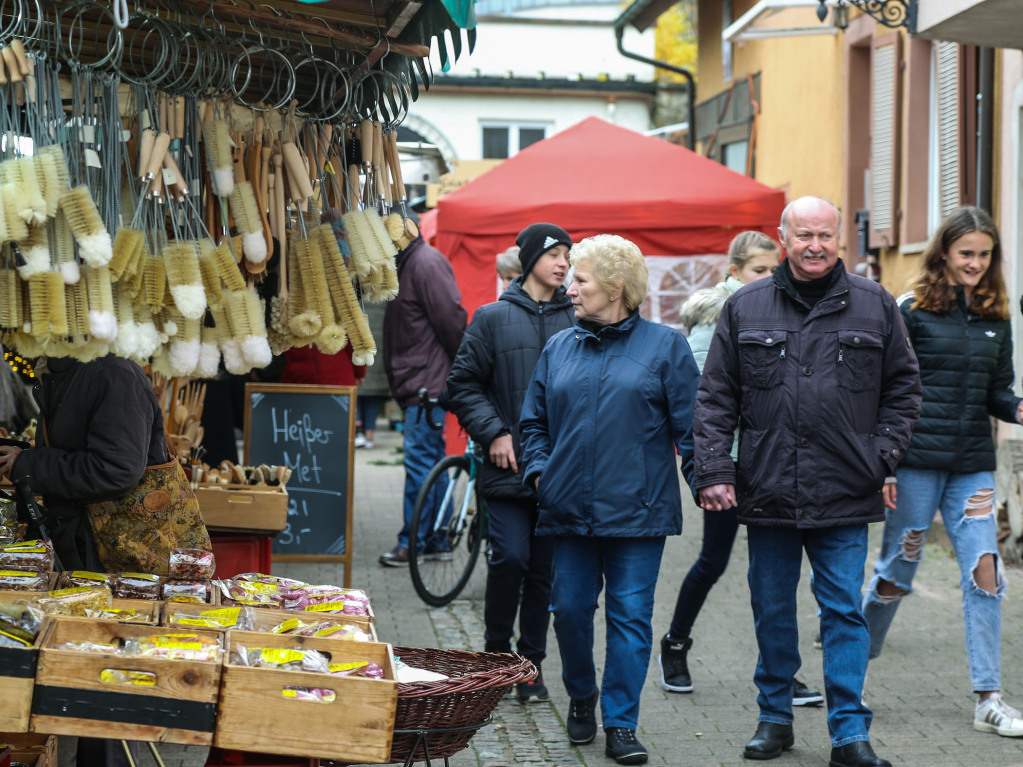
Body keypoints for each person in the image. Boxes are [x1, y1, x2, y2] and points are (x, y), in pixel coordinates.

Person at [694, 196, 921, 767]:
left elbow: (904, 388)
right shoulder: (745, 307)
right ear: (783, 237)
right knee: (772, 608)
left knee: (842, 610)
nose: (815, 246)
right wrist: (716, 470)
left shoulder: (873, 305)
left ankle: (849, 733)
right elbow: (716, 397)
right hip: (767, 485)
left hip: (846, 489)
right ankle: (775, 719)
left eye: (825, 235)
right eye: (804, 235)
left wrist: (883, 456)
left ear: (838, 238)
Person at [520, 234, 700, 765]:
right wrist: (539, 475)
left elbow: (692, 429)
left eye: (581, 279)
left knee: (629, 619)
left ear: (615, 287)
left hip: (638, 515)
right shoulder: (559, 348)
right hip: (568, 510)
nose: (569, 288)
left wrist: (708, 482)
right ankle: (581, 694)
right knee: (570, 611)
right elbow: (534, 423)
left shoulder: (665, 348)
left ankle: (621, 723)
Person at [861, 206, 1023, 737]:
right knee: (895, 576)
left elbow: (998, 392)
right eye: (966, 253)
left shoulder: (997, 317)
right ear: (944, 254)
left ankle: (989, 699)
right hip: (912, 465)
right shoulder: (910, 310)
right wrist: (884, 464)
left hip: (971, 467)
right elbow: (884, 389)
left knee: (986, 572)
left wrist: (1017, 407)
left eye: (984, 254)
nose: (976, 263)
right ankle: (850, 672)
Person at [658, 232, 822, 707]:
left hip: (775, 462)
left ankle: (779, 672)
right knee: (714, 560)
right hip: (730, 465)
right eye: (758, 270)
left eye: (774, 269)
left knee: (773, 573)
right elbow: (702, 401)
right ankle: (675, 643)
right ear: (733, 271)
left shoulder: (783, 309)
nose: (769, 278)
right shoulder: (716, 318)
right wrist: (716, 467)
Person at [0, 353, 166, 767]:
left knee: (103, 672)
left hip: (113, 546)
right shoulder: (64, 373)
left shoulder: (112, 373)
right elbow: (79, 449)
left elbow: (116, 469)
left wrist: (29, 463)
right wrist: (22, 455)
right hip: (83, 539)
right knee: (91, 669)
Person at [447, 223, 574, 704]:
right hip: (506, 466)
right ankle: (496, 655)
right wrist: (495, 432)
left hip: (559, 470)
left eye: (567, 255)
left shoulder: (579, 318)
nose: (563, 263)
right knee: (511, 558)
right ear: (528, 260)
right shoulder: (492, 317)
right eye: (554, 254)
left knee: (544, 572)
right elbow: (463, 384)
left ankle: (530, 666)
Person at [380, 224, 467, 566]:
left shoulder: (425, 262)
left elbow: (452, 322)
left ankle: (412, 543)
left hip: (425, 385)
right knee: (431, 464)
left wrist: (463, 372)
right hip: (422, 383)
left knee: (421, 465)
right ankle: (437, 538)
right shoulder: (412, 261)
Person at [355, 302, 389, 449]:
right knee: (373, 395)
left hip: (359, 347)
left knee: (356, 392)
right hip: (379, 350)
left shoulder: (354, 289)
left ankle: (357, 431)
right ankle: (369, 434)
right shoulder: (384, 293)